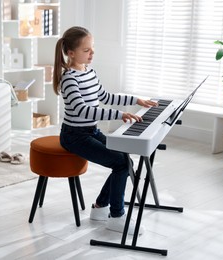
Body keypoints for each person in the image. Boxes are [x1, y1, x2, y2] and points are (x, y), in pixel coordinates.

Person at [53, 26, 157, 234]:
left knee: (124, 160)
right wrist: (119, 115)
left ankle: (100, 207)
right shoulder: (69, 79)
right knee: (120, 164)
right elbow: (84, 110)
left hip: (90, 131)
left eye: (92, 49)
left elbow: (105, 96)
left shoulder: (89, 71)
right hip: (74, 136)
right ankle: (116, 216)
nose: (92, 53)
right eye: (87, 50)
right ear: (71, 53)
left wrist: (136, 100)